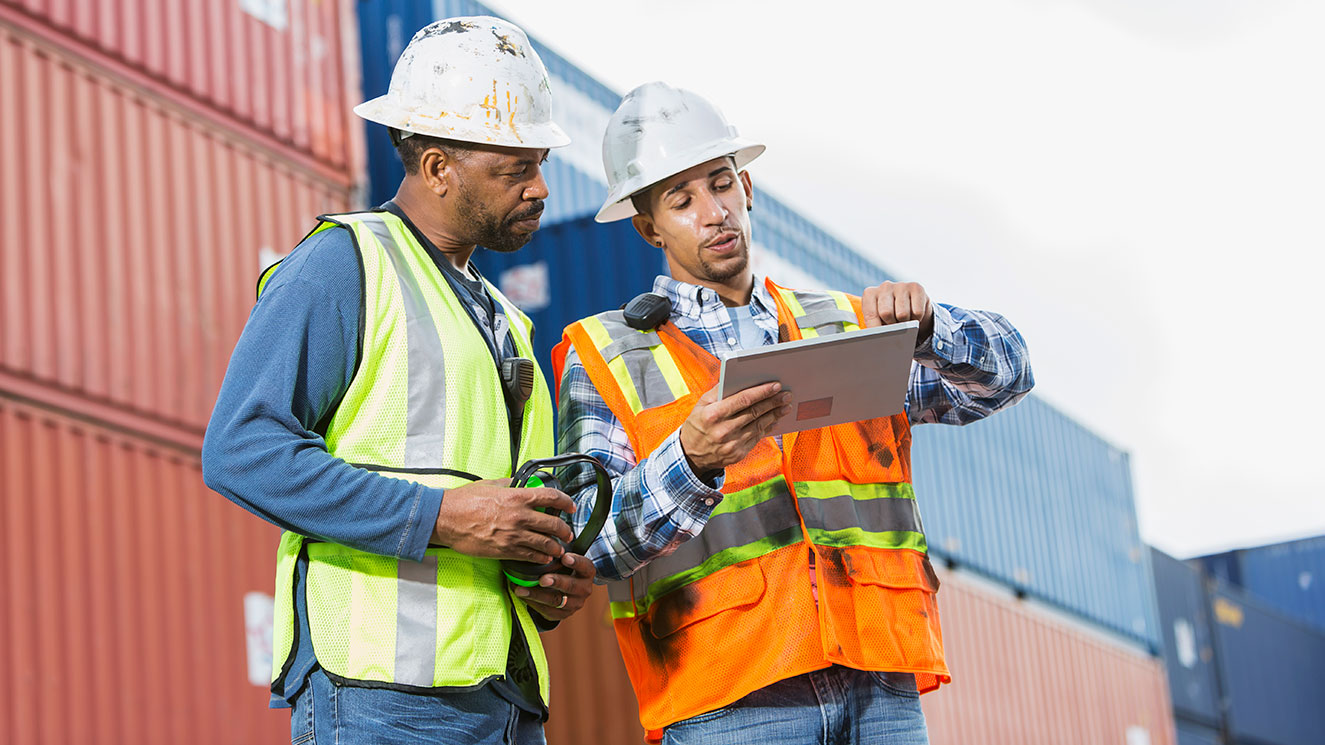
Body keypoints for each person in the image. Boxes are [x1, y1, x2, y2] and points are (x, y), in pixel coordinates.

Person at [552, 82, 1035, 745]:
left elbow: (1006, 375)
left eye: (721, 184)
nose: (713, 211)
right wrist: (688, 460)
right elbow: (588, 540)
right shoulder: (608, 355)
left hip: (878, 676)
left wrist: (932, 329)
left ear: (747, 187)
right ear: (648, 227)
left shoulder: (841, 323)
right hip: (729, 696)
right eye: (681, 199)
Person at [202, 17, 595, 745]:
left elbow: (501, 515)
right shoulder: (344, 263)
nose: (540, 188)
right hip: (382, 701)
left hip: (505, 697)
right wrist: (447, 519)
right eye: (516, 169)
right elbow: (241, 450)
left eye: (539, 163)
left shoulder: (507, 319)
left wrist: (544, 583)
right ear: (439, 166)